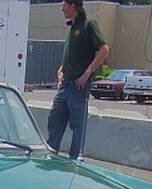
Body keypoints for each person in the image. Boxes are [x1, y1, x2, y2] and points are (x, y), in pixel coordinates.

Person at [47, 0, 110, 159]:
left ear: (73, 6)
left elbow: (104, 50)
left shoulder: (88, 25)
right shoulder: (72, 27)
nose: (61, 9)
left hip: (78, 87)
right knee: (55, 122)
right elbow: (73, 53)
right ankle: (51, 155)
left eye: (64, 5)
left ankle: (74, 160)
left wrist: (88, 73)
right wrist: (61, 69)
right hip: (65, 85)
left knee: (78, 128)